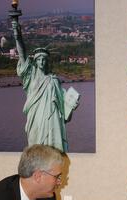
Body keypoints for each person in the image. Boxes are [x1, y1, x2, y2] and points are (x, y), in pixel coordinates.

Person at [11, 18, 79, 152]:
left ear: (46, 62)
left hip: (52, 120)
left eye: (44, 60)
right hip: (36, 117)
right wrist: (17, 35)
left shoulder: (54, 80)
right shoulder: (30, 77)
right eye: (39, 60)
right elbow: (22, 54)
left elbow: (62, 108)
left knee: (53, 152)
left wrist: (71, 106)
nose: (41, 62)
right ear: (35, 62)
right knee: (35, 151)